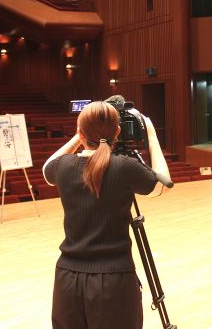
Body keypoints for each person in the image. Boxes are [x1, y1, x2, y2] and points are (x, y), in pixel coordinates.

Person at [43, 101, 172, 329]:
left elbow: (47, 168)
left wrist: (78, 137)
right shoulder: (124, 167)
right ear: (118, 131)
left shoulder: (63, 166)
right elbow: (162, 185)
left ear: (80, 133)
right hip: (113, 281)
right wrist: (151, 135)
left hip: (67, 280)